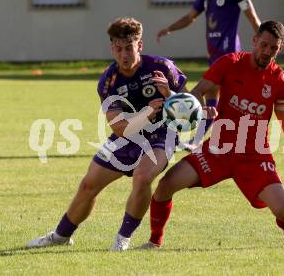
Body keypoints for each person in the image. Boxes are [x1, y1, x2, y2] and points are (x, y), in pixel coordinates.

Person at [143, 20, 284, 249]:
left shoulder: (278, 81)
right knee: (166, 185)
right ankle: (153, 242)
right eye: (264, 45)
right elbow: (198, 92)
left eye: (273, 48)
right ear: (254, 40)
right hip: (218, 150)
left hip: (254, 156)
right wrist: (194, 110)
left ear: (280, 49)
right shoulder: (230, 63)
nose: (267, 52)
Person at [27, 17, 188, 251]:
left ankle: (122, 239)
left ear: (139, 46)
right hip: (128, 134)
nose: (124, 55)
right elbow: (119, 128)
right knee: (88, 185)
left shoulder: (162, 66)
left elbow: (190, 102)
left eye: (129, 48)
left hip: (163, 134)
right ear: (112, 48)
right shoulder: (108, 81)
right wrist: (148, 112)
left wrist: (170, 93)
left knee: (143, 177)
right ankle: (61, 235)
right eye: (119, 49)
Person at [156, 0, 261, 139]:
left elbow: (253, 19)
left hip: (230, 54)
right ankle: (200, 138)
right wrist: (169, 29)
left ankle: (191, 136)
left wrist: (265, 48)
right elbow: (189, 17)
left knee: (207, 90)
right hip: (214, 56)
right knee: (214, 94)